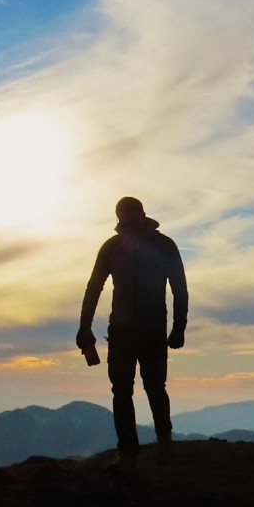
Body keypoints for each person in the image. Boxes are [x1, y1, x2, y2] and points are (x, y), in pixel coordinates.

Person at [77, 196, 189, 464]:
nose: (126, 222)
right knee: (124, 390)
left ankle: (161, 444)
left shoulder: (162, 245)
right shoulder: (113, 248)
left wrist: (179, 327)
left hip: (149, 331)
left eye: (130, 217)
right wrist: (84, 327)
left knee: (153, 387)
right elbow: (94, 287)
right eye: (123, 218)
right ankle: (130, 450)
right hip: (124, 331)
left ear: (142, 215)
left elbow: (179, 288)